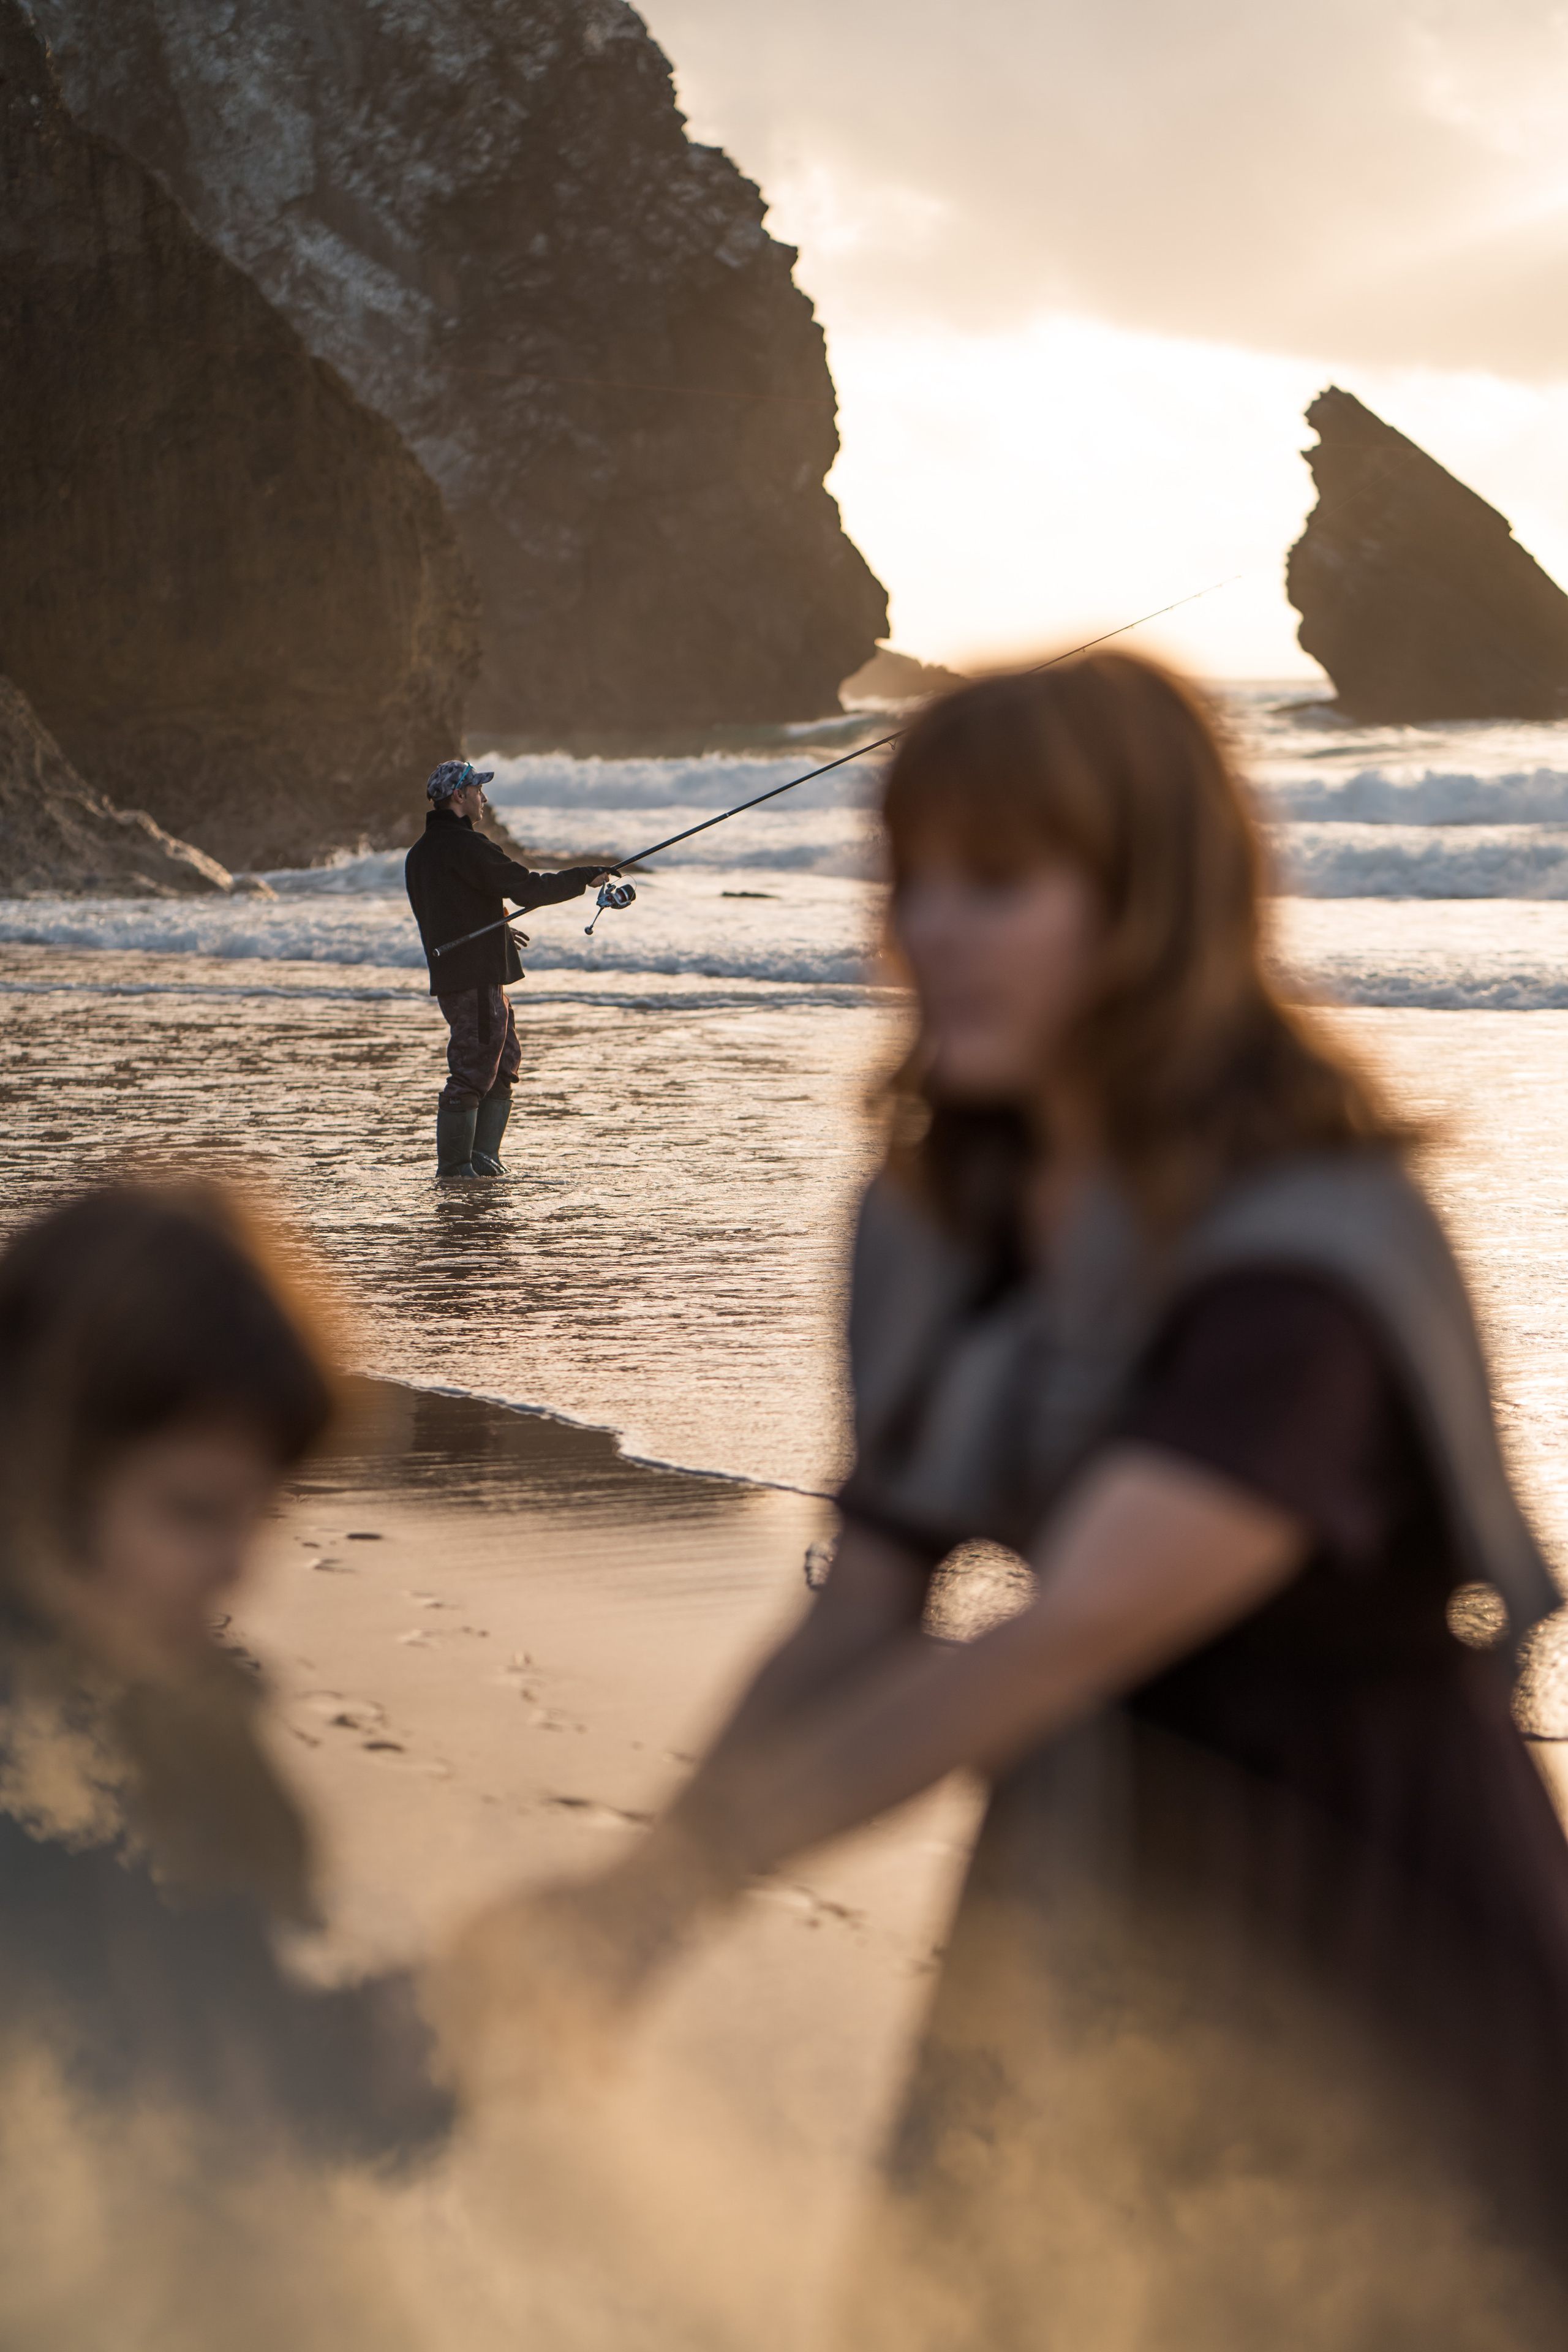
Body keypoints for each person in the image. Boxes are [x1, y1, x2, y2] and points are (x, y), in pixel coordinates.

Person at [448, 654, 1568, 2346]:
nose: (931, 933)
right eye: (911, 882)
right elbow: (868, 1606)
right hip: (1077, 1866)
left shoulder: (1306, 1249)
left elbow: (1065, 1638)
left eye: (999, 883)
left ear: (1151, 900)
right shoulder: (943, 1214)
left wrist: (662, 1904)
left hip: (1368, 1884)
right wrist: (634, 1893)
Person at [0, 1181, 454, 2343]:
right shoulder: (50, 1773)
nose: (239, 1572)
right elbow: (187, 2126)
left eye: (263, 1516)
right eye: (194, 1512)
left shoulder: (151, 1708)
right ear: (40, 1476)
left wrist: (389, 2057)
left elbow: (219, 2053)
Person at [404, 760, 606, 1183]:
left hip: (469, 975)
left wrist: (496, 931)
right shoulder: (466, 847)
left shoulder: (422, 852)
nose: (485, 798)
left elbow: (450, 907)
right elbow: (529, 886)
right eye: (478, 790)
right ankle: (457, 1170)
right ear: (459, 796)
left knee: (503, 1062)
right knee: (474, 1070)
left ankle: (482, 1161)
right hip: (473, 980)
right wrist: (584, 876)